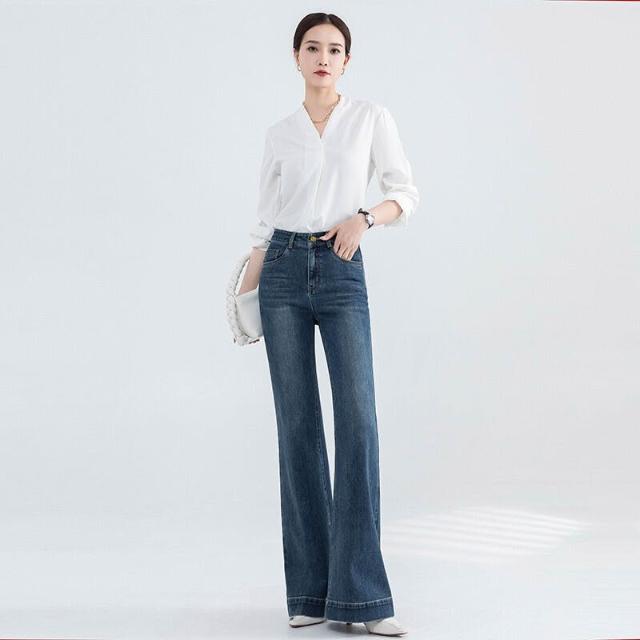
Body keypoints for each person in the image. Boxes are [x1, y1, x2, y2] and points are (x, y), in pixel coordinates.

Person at [238, 12, 419, 637]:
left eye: (334, 49)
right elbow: (265, 222)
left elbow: (405, 193)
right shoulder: (280, 134)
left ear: (346, 60)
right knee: (297, 427)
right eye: (312, 47)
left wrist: (363, 219)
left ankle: (363, 597)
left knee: (358, 422)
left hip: (342, 266)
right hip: (282, 271)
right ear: (296, 57)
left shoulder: (370, 118)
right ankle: (311, 591)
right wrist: (247, 291)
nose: (323, 57)